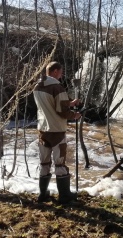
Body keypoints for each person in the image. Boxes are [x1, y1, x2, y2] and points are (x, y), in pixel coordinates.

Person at [33, 61, 81, 204]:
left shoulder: (37, 86)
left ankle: (43, 194)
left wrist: (70, 103)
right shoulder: (58, 88)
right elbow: (62, 111)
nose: (62, 74)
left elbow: (50, 105)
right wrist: (75, 115)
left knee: (44, 163)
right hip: (57, 131)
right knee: (59, 164)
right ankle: (64, 196)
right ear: (54, 72)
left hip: (42, 128)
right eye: (61, 71)